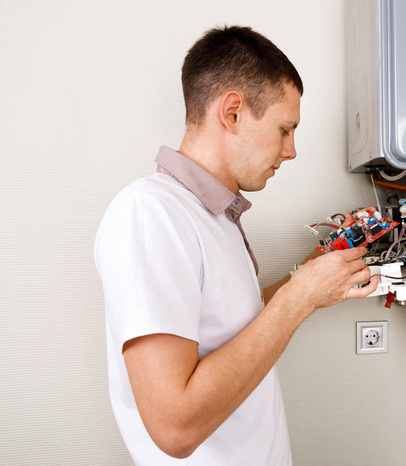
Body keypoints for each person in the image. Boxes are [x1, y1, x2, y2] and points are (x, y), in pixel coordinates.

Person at [94, 25, 378, 465]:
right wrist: (299, 299)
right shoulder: (151, 214)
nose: (292, 151)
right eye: (285, 129)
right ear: (232, 113)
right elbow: (175, 427)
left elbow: (226, 329)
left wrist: (311, 274)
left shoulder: (215, 217)